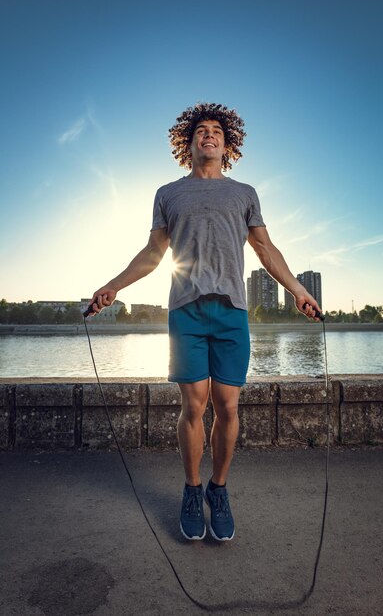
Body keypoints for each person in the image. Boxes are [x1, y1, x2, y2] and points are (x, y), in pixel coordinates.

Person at [87, 102, 322, 542]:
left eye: (216, 130)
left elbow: (266, 250)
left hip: (232, 311)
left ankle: (220, 488)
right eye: (201, 131)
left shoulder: (245, 192)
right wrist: (113, 286)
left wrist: (298, 290)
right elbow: (154, 254)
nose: (208, 135)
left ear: (227, 144)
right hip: (187, 311)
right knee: (193, 406)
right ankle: (192, 490)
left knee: (228, 406)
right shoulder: (168, 193)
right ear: (189, 143)